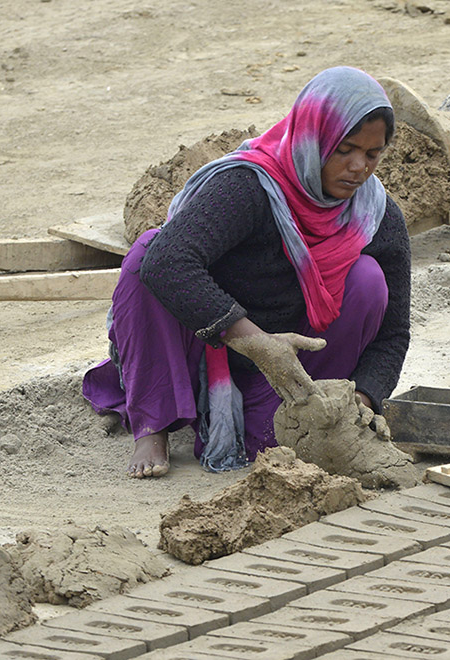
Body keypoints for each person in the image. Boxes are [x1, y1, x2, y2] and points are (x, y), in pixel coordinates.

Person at [82, 66, 411, 478]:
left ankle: (298, 414)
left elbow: (393, 333)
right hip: (206, 348)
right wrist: (255, 342)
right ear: (313, 138)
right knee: (147, 253)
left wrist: (359, 403)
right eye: (344, 149)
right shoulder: (249, 187)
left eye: (372, 154)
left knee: (367, 280)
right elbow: (168, 262)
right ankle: (154, 422)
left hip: (289, 366)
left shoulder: (376, 215)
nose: (359, 166)